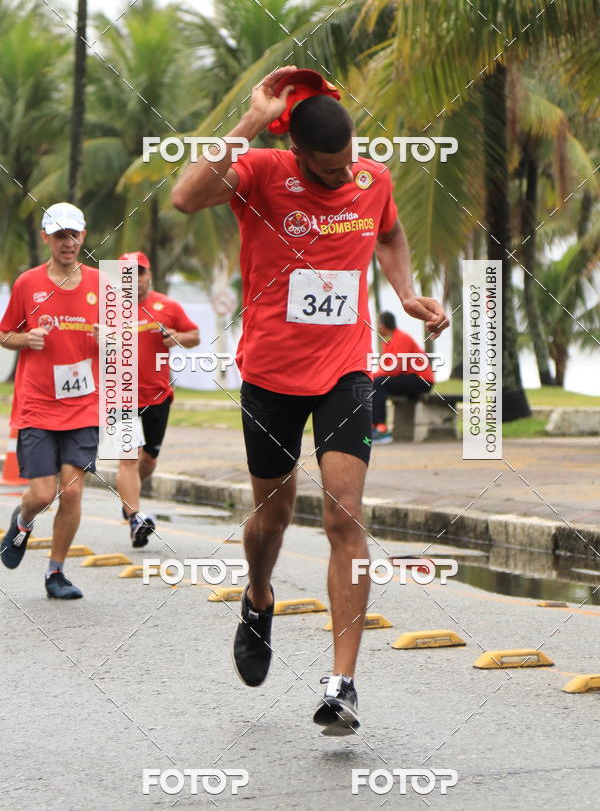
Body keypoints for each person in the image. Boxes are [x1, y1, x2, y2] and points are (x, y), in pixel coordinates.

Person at [171, 66, 449, 735]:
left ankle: (342, 684)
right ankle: (260, 596)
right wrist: (246, 120)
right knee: (272, 518)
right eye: (326, 170)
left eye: (346, 161)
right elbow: (184, 197)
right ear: (296, 155)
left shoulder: (369, 178)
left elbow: (388, 232)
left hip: (345, 371)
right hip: (269, 373)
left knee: (343, 516)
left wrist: (405, 291)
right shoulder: (262, 171)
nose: (339, 177)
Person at [0, 203, 99, 599]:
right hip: (38, 404)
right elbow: (5, 333)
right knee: (42, 495)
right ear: (46, 238)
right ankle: (22, 522)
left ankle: (55, 573)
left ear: (83, 237)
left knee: (72, 491)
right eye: (60, 235)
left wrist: (110, 336)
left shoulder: (102, 284)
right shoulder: (27, 284)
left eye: (74, 235)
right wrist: (25, 339)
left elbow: (125, 339)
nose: (68, 243)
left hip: (83, 404)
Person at [114, 251, 199, 547]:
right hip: (119, 396)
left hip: (157, 396)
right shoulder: (108, 309)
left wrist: (177, 336)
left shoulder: (167, 306)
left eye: (139, 272)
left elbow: (194, 336)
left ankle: (129, 499)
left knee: (148, 461)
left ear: (148, 275)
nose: (133, 279)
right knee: (129, 459)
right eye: (127, 273)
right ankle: (135, 517)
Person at [371, 311, 434, 444]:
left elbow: (395, 369)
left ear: (382, 325)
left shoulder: (401, 338)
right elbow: (386, 368)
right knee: (374, 383)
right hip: (408, 378)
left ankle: (381, 429)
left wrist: (374, 375)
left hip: (422, 380)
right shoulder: (388, 342)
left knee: (378, 382)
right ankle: (373, 427)